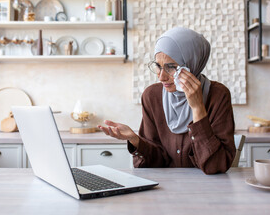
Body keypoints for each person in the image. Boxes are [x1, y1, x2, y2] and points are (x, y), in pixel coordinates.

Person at [98, 27, 235, 174]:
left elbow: (217, 165)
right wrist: (135, 139)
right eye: (158, 66)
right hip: (164, 188)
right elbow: (156, 162)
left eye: (171, 67)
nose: (161, 77)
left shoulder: (218, 95)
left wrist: (197, 108)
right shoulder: (152, 96)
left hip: (209, 191)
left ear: (192, 65)